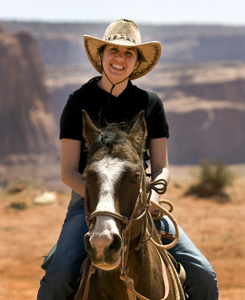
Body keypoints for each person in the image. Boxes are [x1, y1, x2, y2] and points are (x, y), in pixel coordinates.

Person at [37, 19, 219, 300]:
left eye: (128, 53)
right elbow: (68, 172)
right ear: (101, 55)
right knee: (58, 277)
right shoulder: (78, 102)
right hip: (88, 200)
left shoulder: (151, 104)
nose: (119, 59)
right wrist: (103, 201)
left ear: (136, 62)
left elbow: (161, 167)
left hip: (140, 198)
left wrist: (153, 197)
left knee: (204, 275)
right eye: (113, 50)